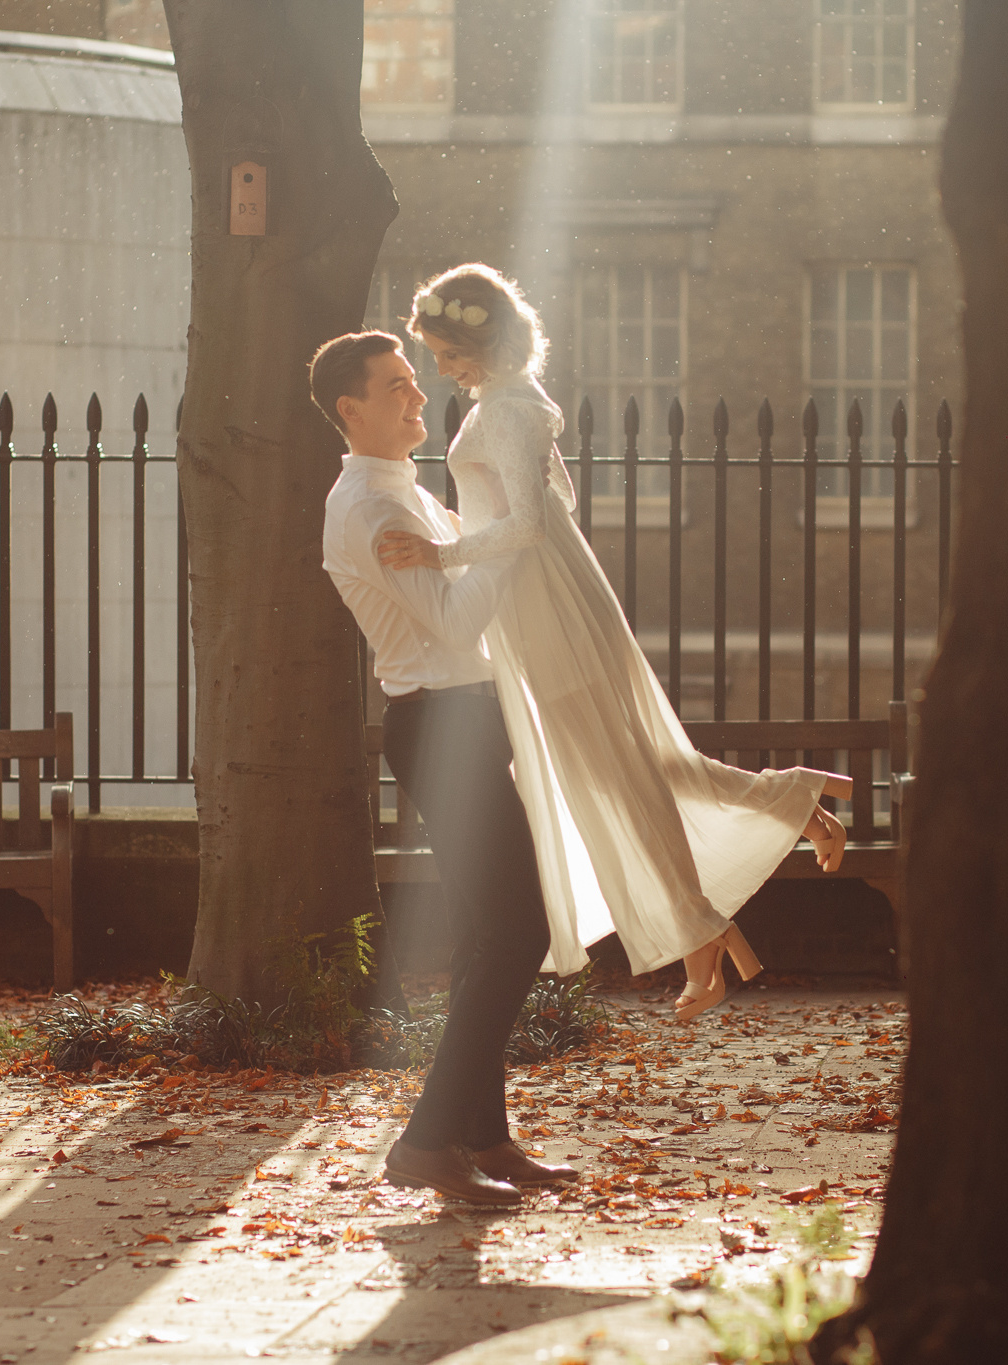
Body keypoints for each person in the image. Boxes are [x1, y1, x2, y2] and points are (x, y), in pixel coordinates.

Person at [377, 264, 860, 1022]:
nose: (441, 369)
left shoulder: (507, 409)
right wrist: (468, 532)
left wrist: (444, 553)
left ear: (483, 340)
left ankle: (712, 923)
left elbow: (529, 522)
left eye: (447, 353)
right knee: (638, 762)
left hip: (547, 611)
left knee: (615, 772)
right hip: (551, 599)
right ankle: (788, 809)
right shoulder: (513, 401)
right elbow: (558, 504)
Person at [312, 329, 578, 1206]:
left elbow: (496, 558)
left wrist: (518, 514)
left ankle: (482, 1136)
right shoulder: (370, 509)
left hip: (468, 721)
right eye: (395, 386)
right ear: (350, 409)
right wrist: (510, 538)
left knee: (484, 934)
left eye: (414, 381)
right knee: (519, 930)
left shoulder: (407, 493)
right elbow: (459, 620)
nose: (420, 395)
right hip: (440, 726)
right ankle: (426, 1142)